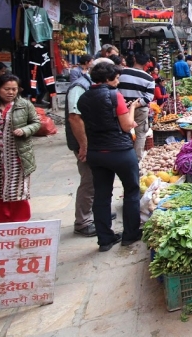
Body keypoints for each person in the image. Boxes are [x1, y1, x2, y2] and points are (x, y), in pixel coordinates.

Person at [78, 63, 142, 251]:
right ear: (107, 79)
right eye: (115, 78)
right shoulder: (115, 95)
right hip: (120, 151)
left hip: (97, 153)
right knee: (131, 191)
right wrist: (133, 108)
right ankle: (130, 235)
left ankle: (105, 239)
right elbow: (127, 125)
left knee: (102, 194)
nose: (118, 81)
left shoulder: (83, 98)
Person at [66, 57, 116, 237]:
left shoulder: (90, 86)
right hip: (84, 143)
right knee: (88, 181)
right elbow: (74, 117)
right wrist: (83, 145)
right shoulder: (80, 87)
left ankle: (96, 214)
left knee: (97, 181)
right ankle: (83, 221)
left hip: (95, 141)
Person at [0, 75, 41, 222]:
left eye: (14, 89)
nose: (11, 92)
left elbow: (36, 123)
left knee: (17, 192)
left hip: (17, 156)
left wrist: (25, 130)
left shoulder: (24, 104)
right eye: (7, 89)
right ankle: (3, 226)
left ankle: (20, 225)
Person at [118, 53, 155, 160]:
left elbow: (115, 89)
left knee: (123, 132)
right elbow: (149, 97)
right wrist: (136, 105)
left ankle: (123, 157)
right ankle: (136, 160)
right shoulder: (149, 78)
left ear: (134, 59)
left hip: (122, 108)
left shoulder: (122, 73)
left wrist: (127, 105)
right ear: (146, 63)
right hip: (140, 109)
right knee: (140, 135)